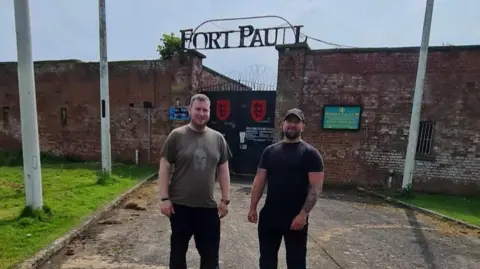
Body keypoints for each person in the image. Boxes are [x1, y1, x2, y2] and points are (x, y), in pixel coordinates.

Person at [158, 93, 232, 269]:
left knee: (210, 256)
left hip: (207, 208)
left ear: (209, 112)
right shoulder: (176, 136)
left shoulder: (218, 138)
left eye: (205, 110)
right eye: (198, 109)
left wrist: (225, 199)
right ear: (190, 110)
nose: (201, 113)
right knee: (177, 254)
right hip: (180, 207)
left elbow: (223, 170)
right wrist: (163, 198)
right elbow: (165, 167)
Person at [247, 108, 324, 269]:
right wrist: (253, 207)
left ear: (303, 126)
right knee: (267, 260)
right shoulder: (270, 152)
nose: (292, 125)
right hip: (270, 216)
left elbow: (315, 188)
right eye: (289, 121)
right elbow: (259, 180)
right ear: (283, 125)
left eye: (297, 122)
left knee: (296, 262)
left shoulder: (311, 155)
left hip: (295, 218)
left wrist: (303, 215)